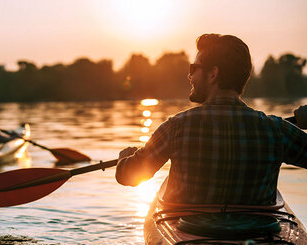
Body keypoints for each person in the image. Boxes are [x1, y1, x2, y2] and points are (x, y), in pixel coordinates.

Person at [115, 33, 307, 206]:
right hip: (258, 235)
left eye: (194, 68)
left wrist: (125, 159)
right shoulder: (276, 130)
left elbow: (129, 176)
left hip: (194, 233)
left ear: (213, 74)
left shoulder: (176, 127)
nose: (190, 76)